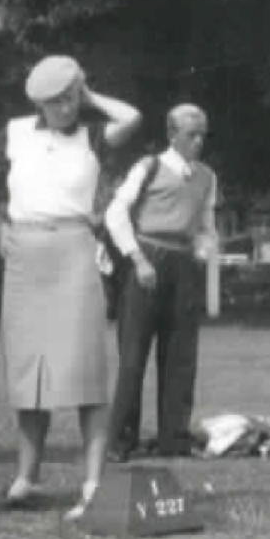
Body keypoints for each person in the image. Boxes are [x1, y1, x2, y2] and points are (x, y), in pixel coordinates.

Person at [0, 56, 142, 518]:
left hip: (74, 251)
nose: (66, 107)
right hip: (26, 254)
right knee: (31, 373)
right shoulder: (14, 133)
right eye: (56, 100)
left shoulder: (93, 135)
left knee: (84, 370)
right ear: (38, 103)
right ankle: (25, 479)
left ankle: (92, 485)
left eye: (71, 96)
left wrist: (90, 97)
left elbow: (131, 118)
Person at [104, 104, 220, 461]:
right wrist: (137, 258)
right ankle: (121, 442)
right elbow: (115, 212)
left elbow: (206, 225)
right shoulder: (148, 167)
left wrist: (204, 252)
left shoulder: (206, 177)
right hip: (147, 258)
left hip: (184, 266)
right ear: (173, 134)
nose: (198, 141)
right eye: (191, 134)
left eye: (202, 134)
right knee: (133, 355)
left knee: (182, 356)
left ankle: (175, 439)